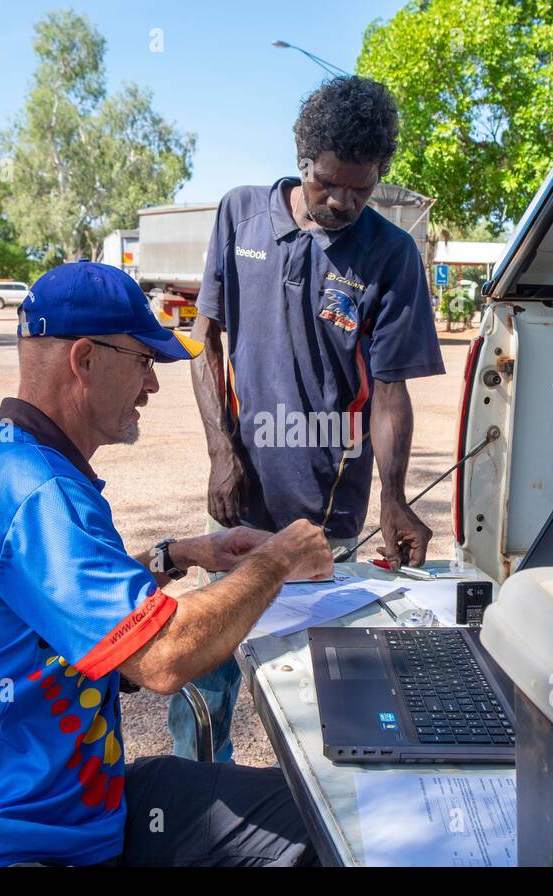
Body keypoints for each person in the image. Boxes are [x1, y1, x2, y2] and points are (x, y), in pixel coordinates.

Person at [0, 261, 333, 866]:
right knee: (323, 837)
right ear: (86, 359)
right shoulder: (35, 490)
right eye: (145, 361)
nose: (152, 386)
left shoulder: (20, 463)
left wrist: (177, 555)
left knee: (325, 817)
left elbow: (63, 603)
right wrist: (276, 559)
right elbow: (164, 656)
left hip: (79, 815)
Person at [172, 75, 445, 760]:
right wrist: (220, 453)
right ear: (303, 160)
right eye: (329, 184)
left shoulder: (391, 255)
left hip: (329, 514)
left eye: (363, 188)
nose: (344, 202)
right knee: (206, 676)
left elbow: (389, 391)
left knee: (332, 687)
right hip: (240, 498)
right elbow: (205, 340)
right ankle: (201, 796)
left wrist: (394, 495)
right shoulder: (240, 216)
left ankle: (338, 818)